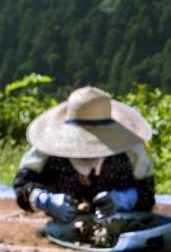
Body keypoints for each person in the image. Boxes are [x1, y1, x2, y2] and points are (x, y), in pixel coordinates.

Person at [13, 85, 155, 223]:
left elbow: (147, 193)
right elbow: (22, 184)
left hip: (117, 222)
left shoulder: (131, 150)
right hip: (63, 223)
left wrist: (121, 200)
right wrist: (45, 200)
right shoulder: (48, 149)